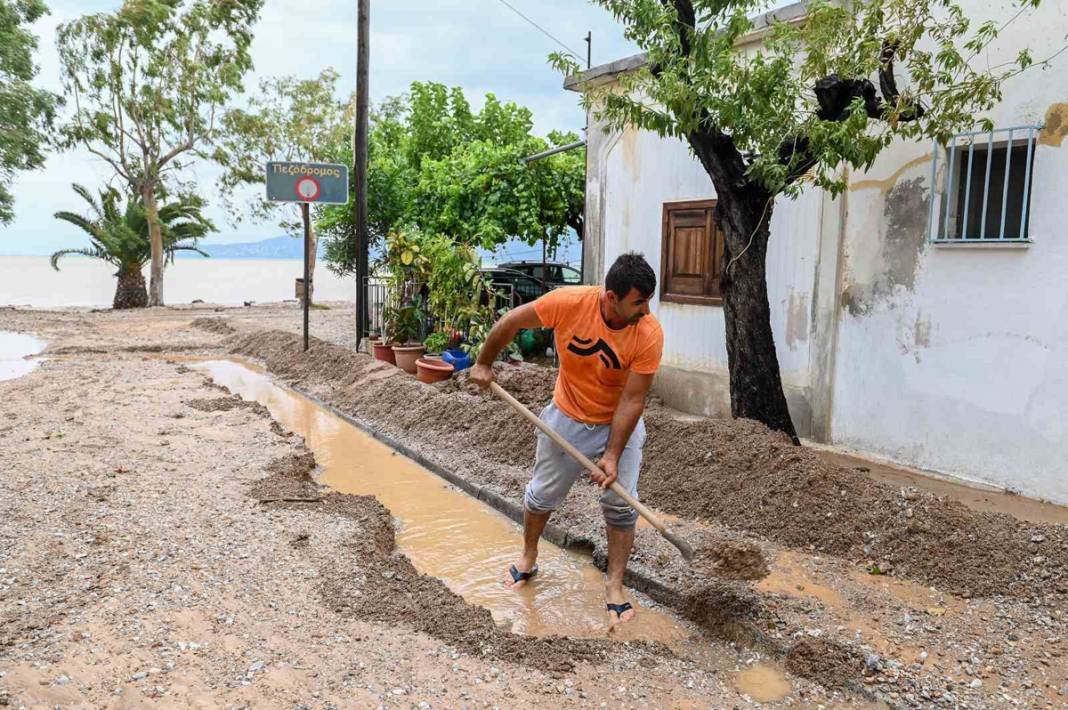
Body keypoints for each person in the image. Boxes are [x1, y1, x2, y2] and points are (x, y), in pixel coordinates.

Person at [469, 252, 663, 629]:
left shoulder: (648, 332)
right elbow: (510, 321)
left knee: (622, 506)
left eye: (648, 301)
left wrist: (612, 454)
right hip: (567, 418)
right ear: (612, 297)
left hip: (618, 424)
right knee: (542, 495)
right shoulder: (568, 303)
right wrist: (484, 362)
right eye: (639, 302)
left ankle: (614, 585)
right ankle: (528, 557)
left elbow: (633, 400)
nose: (645, 310)